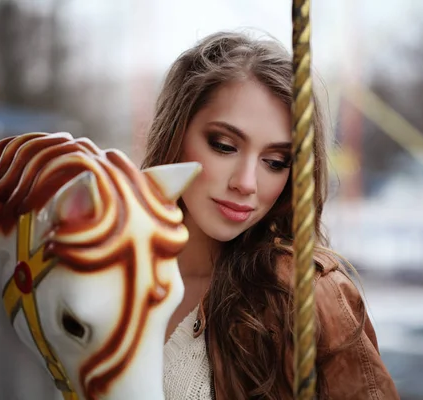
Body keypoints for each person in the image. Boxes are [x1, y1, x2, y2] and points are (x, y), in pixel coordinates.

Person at [142, 31, 400, 399]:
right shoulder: (106, 270)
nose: (247, 183)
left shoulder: (302, 295)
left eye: (275, 162)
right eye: (224, 146)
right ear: (175, 132)